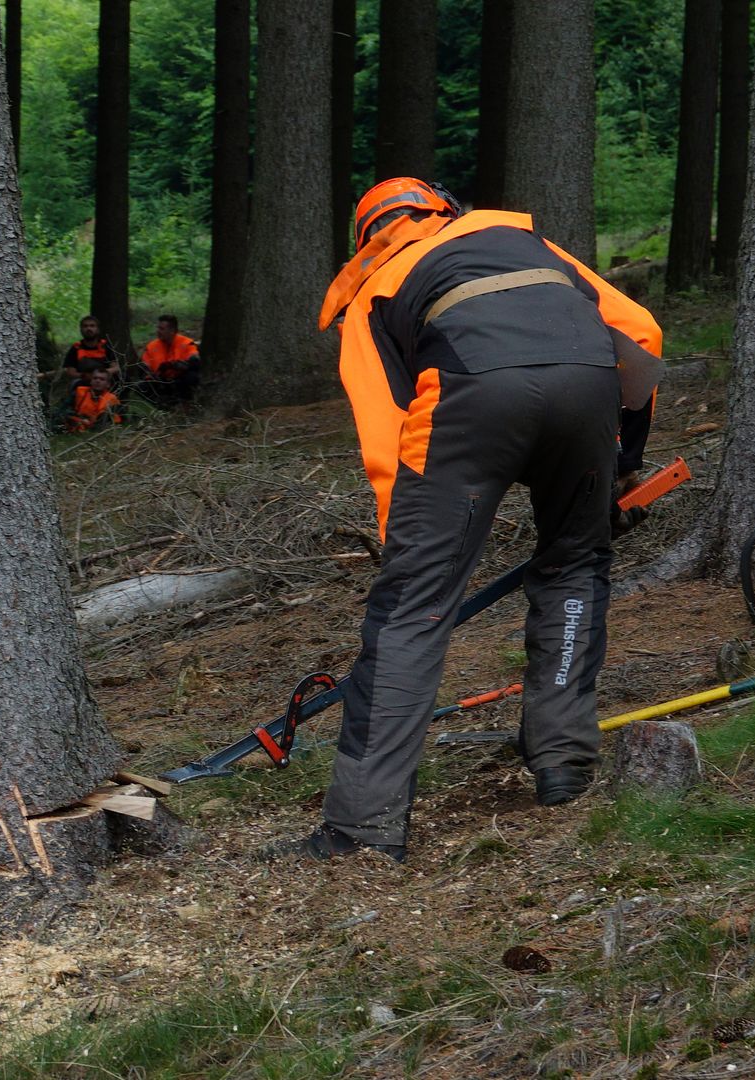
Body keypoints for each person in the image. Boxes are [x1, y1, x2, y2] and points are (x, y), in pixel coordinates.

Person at [273, 177, 663, 864]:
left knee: (412, 610)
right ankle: (563, 765)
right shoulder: (524, 241)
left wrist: (409, 548)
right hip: (588, 384)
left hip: (467, 399)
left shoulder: (375, 287)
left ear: (367, 237)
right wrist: (623, 453)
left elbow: (382, 422)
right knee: (574, 565)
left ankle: (361, 831)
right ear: (443, 209)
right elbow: (640, 334)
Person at [132, 315, 201, 407]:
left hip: (179, 381)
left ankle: (186, 404)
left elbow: (194, 361)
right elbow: (143, 366)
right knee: (140, 387)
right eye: (158, 328)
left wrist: (173, 365)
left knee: (192, 376)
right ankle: (161, 406)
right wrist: (149, 375)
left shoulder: (186, 343)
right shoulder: (152, 346)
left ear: (172, 331)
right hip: (160, 382)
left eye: (161, 329)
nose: (158, 331)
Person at [60, 368, 123, 433]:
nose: (98, 381)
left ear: (108, 384)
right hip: (78, 423)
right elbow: (63, 409)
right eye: (95, 378)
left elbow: (115, 420)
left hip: (97, 427)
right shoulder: (79, 392)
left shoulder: (112, 399)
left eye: (102, 379)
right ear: (91, 381)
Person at [62, 315, 119, 386]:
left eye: (92, 326)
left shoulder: (105, 345)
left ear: (97, 329)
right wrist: (84, 375)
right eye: (85, 326)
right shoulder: (76, 347)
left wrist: (99, 374)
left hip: (104, 380)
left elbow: (116, 368)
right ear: (81, 330)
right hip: (84, 380)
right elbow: (70, 372)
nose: (88, 328)